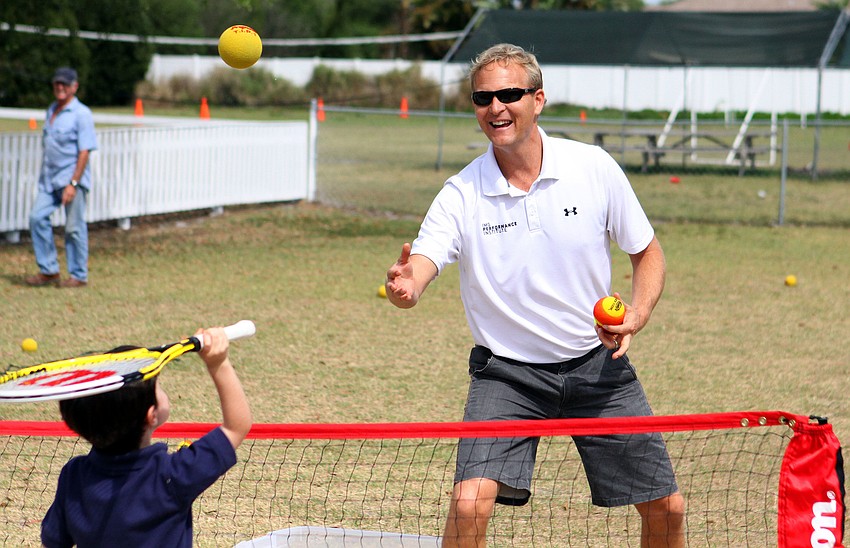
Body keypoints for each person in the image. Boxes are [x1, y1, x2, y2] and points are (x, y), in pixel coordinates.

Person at [385, 44, 685, 547]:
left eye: (509, 93)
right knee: (467, 503)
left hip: (597, 367)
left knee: (666, 507)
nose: (496, 107)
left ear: (538, 99)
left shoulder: (591, 167)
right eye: (483, 97)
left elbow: (647, 251)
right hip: (507, 374)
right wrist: (406, 285)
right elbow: (422, 263)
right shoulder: (460, 193)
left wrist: (638, 312)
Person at [41, 326, 252, 547]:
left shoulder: (74, 475)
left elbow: (53, 542)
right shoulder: (173, 475)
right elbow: (236, 427)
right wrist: (218, 363)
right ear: (151, 416)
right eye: (159, 387)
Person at [25, 67, 98, 288]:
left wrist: (73, 183)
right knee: (37, 218)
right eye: (57, 83)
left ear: (74, 87)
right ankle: (49, 270)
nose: (60, 87)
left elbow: (85, 151)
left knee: (74, 228)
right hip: (49, 180)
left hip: (70, 180)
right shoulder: (52, 110)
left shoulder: (81, 114)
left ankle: (78, 275)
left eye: (65, 84)